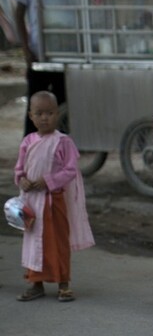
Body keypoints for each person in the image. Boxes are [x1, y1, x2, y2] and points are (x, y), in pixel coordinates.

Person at [14, 91, 93, 302]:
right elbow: (19, 169)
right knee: (33, 242)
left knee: (57, 242)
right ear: (31, 116)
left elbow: (70, 171)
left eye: (49, 113)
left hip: (53, 201)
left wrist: (48, 181)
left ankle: (63, 284)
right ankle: (36, 283)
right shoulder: (28, 141)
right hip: (31, 202)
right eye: (39, 113)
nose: (44, 118)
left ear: (57, 114)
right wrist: (21, 180)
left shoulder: (63, 142)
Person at [14, 0, 77, 135]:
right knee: (35, 102)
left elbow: (74, 14)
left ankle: (59, 141)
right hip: (38, 52)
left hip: (62, 53)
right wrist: (25, 49)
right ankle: (31, 141)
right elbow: (18, 15)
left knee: (61, 101)